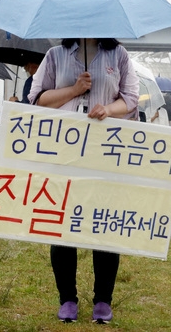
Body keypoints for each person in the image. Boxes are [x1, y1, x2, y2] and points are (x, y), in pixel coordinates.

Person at [29, 37, 138, 324]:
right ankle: (67, 299)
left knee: (104, 223)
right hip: (64, 152)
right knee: (63, 224)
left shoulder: (119, 55)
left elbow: (130, 99)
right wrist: (74, 90)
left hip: (107, 153)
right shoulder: (55, 55)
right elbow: (38, 99)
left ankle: (103, 300)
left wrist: (107, 109)